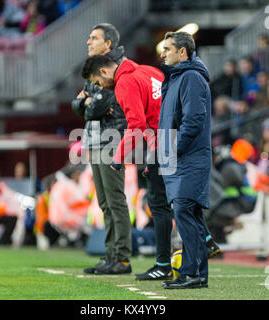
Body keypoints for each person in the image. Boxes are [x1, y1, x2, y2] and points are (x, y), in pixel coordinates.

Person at [81, 49, 221, 283]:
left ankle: (164, 265)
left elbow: (136, 124)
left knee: (159, 204)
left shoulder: (124, 84)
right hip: (176, 137)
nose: (101, 87)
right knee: (179, 198)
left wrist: (119, 156)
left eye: (98, 81)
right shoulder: (148, 71)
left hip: (163, 142)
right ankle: (205, 241)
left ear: (104, 71)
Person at [72, 23, 132, 275]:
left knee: (115, 201)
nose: (88, 41)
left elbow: (96, 108)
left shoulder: (120, 69)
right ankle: (111, 256)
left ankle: (122, 258)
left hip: (112, 140)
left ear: (108, 44)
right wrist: (86, 101)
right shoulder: (94, 69)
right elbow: (78, 106)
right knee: (105, 203)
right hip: (96, 140)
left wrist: (88, 102)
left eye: (94, 38)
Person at [156, 31, 211, 289]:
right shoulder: (176, 77)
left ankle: (194, 274)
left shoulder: (190, 77)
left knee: (185, 211)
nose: (163, 53)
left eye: (168, 49)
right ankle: (192, 273)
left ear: (183, 52)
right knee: (188, 214)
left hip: (189, 158)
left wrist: (173, 149)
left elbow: (194, 120)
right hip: (179, 159)